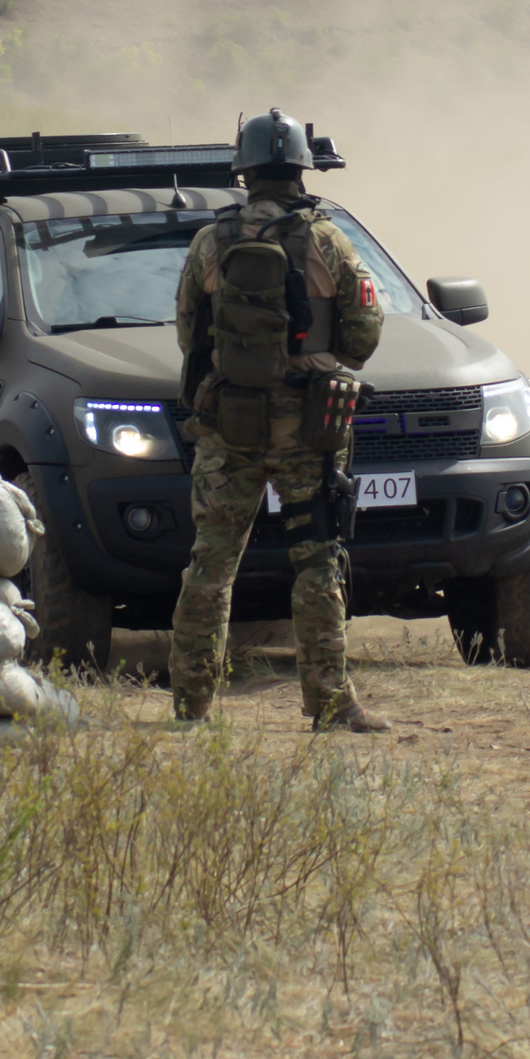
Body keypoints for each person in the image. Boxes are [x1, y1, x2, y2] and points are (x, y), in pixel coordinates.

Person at [168, 107, 389, 732]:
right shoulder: (327, 239)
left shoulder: (211, 241)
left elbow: (189, 333)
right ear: (300, 168)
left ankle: (191, 704)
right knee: (317, 561)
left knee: (210, 564)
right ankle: (329, 703)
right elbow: (366, 332)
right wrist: (319, 363)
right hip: (309, 430)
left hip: (227, 429)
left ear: (244, 171)